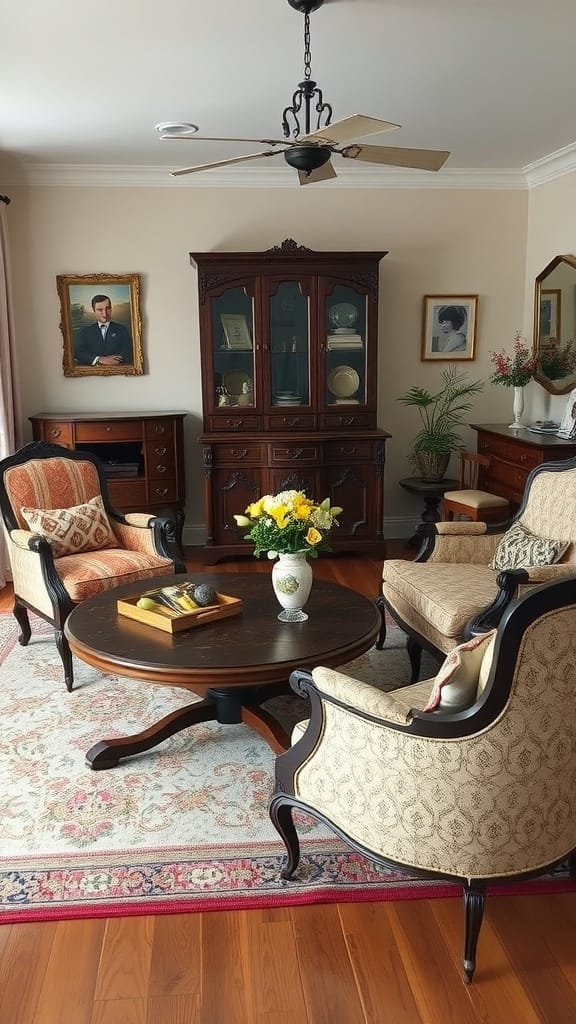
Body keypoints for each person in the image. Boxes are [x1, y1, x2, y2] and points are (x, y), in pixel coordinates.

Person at [74, 294, 133, 366]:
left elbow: (128, 351)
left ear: (111, 309)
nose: (104, 314)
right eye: (100, 310)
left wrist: (114, 360)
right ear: (94, 311)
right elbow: (79, 353)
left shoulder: (122, 329)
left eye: (107, 308)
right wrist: (99, 359)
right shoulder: (85, 332)